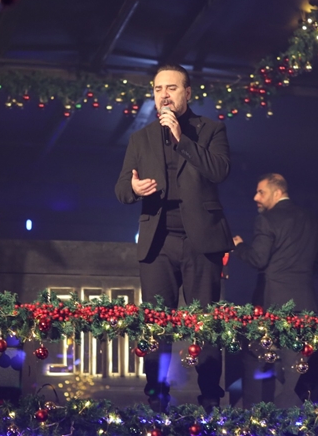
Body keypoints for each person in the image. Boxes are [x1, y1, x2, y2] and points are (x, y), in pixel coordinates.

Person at [114, 64, 233, 413]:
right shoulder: (140, 138)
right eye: (157, 89)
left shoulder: (211, 129)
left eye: (171, 88)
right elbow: (121, 188)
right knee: (156, 324)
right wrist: (134, 189)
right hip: (158, 240)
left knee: (205, 324)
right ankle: (156, 397)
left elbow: (220, 170)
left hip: (202, 240)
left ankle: (210, 399)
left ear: (188, 93)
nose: (163, 95)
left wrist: (183, 140)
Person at [232, 173, 318, 408]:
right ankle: (299, 421)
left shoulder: (267, 220)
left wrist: (239, 247)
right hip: (305, 304)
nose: (256, 197)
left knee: (257, 363)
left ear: (277, 193)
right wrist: (300, 273)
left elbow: (258, 258)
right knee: (297, 372)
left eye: (261, 192)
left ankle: (256, 420)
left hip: (272, 305)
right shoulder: (311, 219)